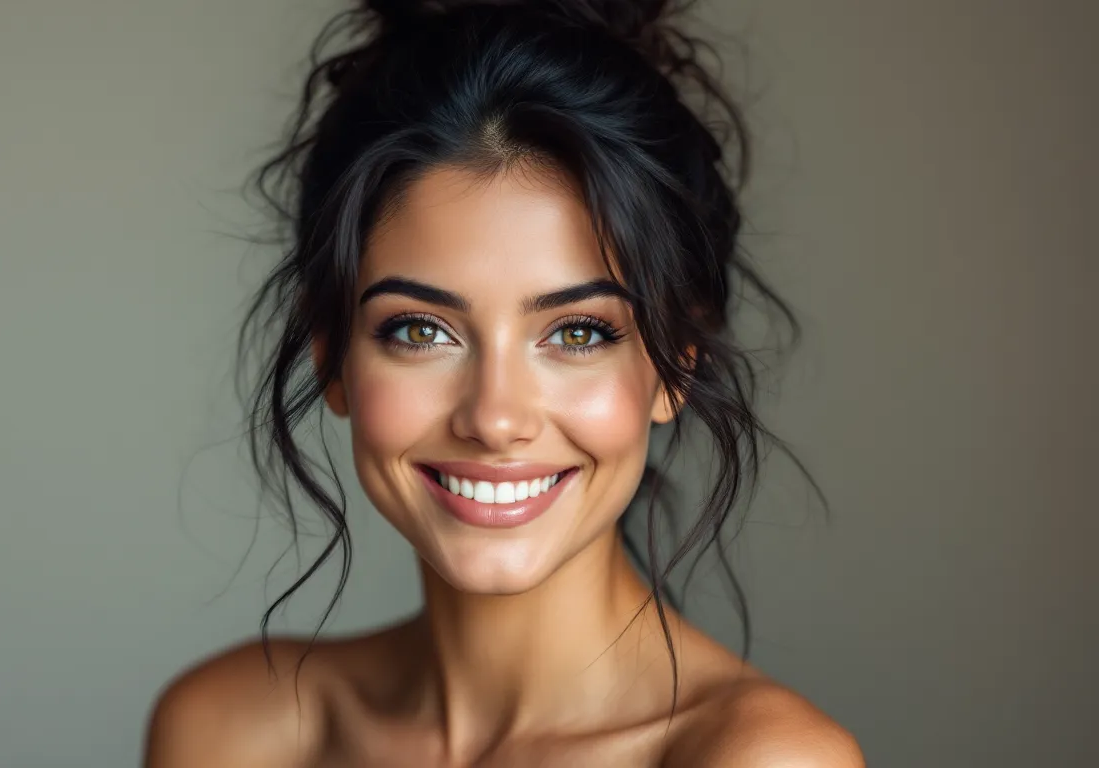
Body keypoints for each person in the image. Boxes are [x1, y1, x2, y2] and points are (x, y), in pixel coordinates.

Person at [146, 1, 864, 764]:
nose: (494, 418)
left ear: (676, 362)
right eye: (421, 330)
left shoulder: (760, 759)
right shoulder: (228, 732)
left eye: (578, 333)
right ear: (331, 354)